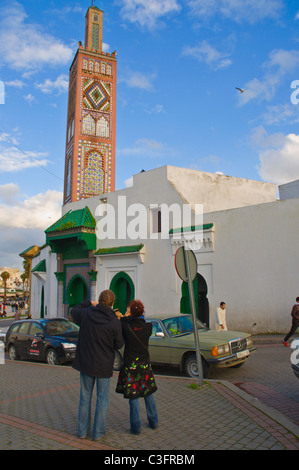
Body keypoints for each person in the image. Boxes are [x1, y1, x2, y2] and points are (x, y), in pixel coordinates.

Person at [70, 289, 124, 440]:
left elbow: (74, 311)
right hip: (103, 365)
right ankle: (98, 433)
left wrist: (89, 303)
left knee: (85, 398)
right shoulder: (114, 321)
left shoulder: (87, 313)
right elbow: (119, 344)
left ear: (99, 301)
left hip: (86, 363)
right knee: (102, 400)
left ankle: (82, 431)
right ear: (112, 304)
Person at [116, 300, 158, 435]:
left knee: (133, 397)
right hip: (144, 364)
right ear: (142, 311)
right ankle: (153, 421)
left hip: (131, 365)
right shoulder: (148, 328)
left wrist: (127, 315)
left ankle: (135, 428)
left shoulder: (126, 327)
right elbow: (142, 322)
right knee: (148, 392)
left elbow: (122, 321)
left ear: (131, 312)